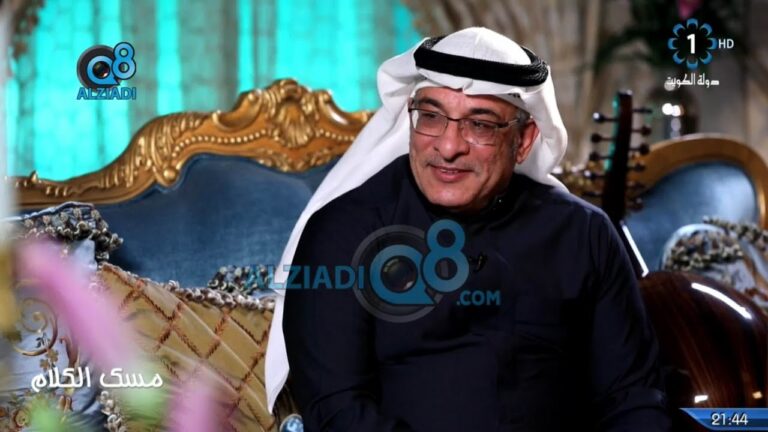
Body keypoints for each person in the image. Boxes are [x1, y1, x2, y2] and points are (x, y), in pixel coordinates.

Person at [265, 27, 671, 431]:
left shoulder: (584, 234)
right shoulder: (342, 232)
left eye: (480, 125)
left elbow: (633, 397)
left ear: (524, 140)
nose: (448, 147)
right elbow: (338, 410)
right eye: (431, 117)